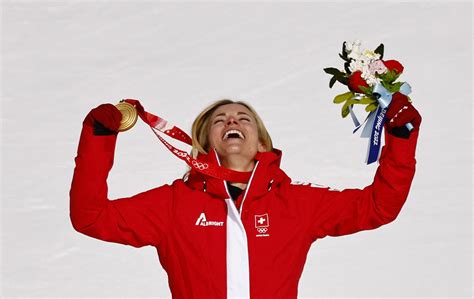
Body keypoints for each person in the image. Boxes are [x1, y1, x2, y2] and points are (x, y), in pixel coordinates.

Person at [70, 93, 421, 299]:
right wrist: (98, 137)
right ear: (206, 144)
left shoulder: (297, 204)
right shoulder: (173, 204)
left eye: (243, 118)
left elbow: (379, 206)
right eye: (219, 121)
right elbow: (91, 217)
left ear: (262, 143)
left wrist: (401, 139)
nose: (231, 120)